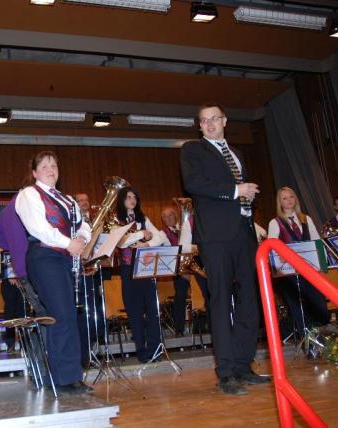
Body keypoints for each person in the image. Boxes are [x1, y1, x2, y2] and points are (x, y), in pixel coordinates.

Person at [180, 102, 268, 396]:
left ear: (225, 121)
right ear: (200, 126)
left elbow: (242, 191)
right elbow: (193, 183)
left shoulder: (237, 154)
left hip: (244, 232)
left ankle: (244, 364)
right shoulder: (192, 150)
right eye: (204, 121)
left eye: (214, 119)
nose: (209, 124)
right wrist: (236, 191)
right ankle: (226, 372)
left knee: (249, 300)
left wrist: (247, 200)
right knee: (220, 299)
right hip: (215, 237)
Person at [15, 151, 93, 394]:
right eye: (44, 166)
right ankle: (66, 378)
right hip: (45, 257)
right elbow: (38, 228)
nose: (50, 169)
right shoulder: (28, 194)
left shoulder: (67, 199)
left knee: (66, 313)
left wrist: (82, 238)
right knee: (62, 314)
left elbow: (83, 224)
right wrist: (68, 243)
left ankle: (64, 376)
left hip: (64, 258)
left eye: (54, 166)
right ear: (34, 173)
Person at [115, 187, 169, 362]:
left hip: (146, 268)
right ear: (122, 200)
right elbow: (121, 242)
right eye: (128, 197)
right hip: (128, 269)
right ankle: (142, 351)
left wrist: (147, 244)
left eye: (134, 197)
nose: (132, 200)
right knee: (135, 311)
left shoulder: (143, 218)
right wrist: (140, 234)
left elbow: (160, 236)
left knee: (153, 310)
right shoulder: (116, 219)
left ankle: (155, 349)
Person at [267, 187, 329, 336]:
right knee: (297, 306)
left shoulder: (306, 219)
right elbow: (271, 247)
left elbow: (317, 241)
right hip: (288, 273)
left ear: (295, 199)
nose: (289, 200)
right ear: (280, 202)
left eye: (291, 197)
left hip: (309, 269)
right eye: (284, 198)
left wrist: (322, 264)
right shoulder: (275, 223)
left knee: (318, 302)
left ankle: (322, 334)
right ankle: (307, 338)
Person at [73, 192, 105, 367]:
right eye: (80, 200)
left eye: (86, 200)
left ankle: (96, 343)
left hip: (97, 270)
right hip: (80, 271)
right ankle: (85, 351)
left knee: (97, 309)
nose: (84, 203)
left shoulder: (96, 221)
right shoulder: (74, 222)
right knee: (85, 311)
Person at [160, 205, 191, 336]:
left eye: (170, 215)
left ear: (176, 216)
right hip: (179, 269)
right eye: (165, 217)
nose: (168, 218)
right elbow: (169, 251)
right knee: (180, 295)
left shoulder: (185, 227)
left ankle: (204, 325)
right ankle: (179, 328)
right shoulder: (163, 234)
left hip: (194, 265)